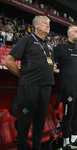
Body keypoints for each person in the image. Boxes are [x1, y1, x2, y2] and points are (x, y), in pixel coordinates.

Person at [4, 15, 54, 150]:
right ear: (36, 25)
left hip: (46, 88)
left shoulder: (49, 45)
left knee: (40, 123)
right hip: (30, 87)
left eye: (49, 23)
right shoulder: (26, 40)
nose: (48, 25)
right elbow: (8, 62)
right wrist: (23, 76)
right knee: (24, 124)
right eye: (45, 23)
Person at [54, 25, 77, 150]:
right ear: (69, 34)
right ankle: (65, 143)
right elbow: (50, 59)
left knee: (76, 115)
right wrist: (52, 65)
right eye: (76, 31)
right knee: (68, 115)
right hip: (68, 87)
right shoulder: (60, 47)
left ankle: (74, 140)